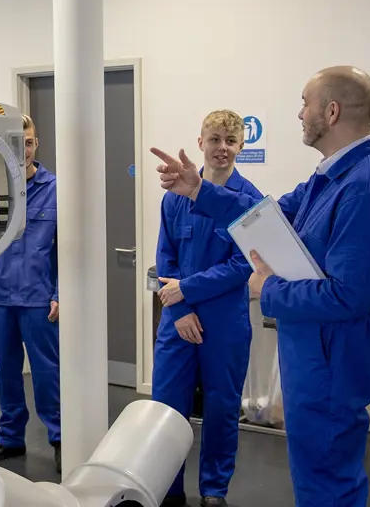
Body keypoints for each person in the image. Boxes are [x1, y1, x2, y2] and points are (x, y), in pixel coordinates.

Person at [154, 66, 370, 507]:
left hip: (331, 356)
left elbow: (348, 296)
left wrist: (266, 289)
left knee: (327, 479)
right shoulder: (330, 177)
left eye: (305, 103)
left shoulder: (364, 188)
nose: (300, 114)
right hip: (314, 352)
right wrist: (200, 191)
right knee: (314, 474)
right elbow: (265, 213)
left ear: (330, 111)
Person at [153, 110, 264, 507]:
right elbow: (165, 256)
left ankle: (214, 490)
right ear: (200, 142)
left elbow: (243, 265)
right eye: (214, 139)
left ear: (241, 146)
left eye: (230, 141)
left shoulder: (249, 201)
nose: (222, 148)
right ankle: (166, 486)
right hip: (177, 319)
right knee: (167, 405)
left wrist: (187, 290)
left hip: (225, 321)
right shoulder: (174, 198)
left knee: (221, 407)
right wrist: (180, 310)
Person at [0, 115, 62, 473]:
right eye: (16, 142)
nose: (23, 149)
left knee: (46, 373)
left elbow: (66, 250)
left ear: (35, 144)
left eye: (28, 142)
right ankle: (10, 438)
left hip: (39, 299)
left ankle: (59, 438)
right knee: (6, 373)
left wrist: (60, 292)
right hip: (0, 298)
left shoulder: (55, 188)